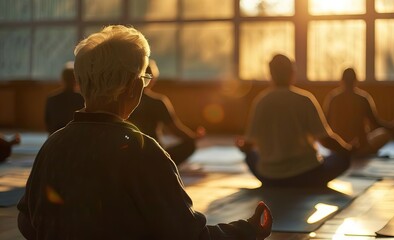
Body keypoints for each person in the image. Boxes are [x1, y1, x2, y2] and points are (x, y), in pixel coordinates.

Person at [17, 25, 272, 240]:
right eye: (144, 78)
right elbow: (188, 235)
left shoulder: (53, 146)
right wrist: (247, 230)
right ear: (134, 87)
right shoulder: (145, 152)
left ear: (81, 84)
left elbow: (26, 221)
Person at [236, 54, 353, 188]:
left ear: (271, 74)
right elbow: (325, 140)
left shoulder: (261, 101)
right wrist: (348, 149)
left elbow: (249, 145)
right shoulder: (305, 99)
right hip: (306, 176)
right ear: (292, 73)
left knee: (250, 156)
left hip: (270, 177)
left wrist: (241, 145)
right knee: (343, 159)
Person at [128, 60, 205, 166]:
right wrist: (192, 138)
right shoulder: (157, 102)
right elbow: (174, 129)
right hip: (154, 153)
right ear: (153, 78)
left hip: (129, 152)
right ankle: (162, 166)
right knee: (190, 145)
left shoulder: (124, 100)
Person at [323, 68, 394, 156]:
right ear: (355, 80)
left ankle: (347, 150)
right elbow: (375, 121)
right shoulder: (362, 98)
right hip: (361, 145)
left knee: (324, 139)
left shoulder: (333, 98)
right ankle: (360, 151)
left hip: (338, 147)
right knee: (386, 134)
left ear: (342, 80)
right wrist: (390, 127)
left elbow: (325, 123)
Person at [45, 63, 85, 135]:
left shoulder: (52, 98)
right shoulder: (81, 99)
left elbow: (48, 122)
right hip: (75, 136)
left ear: (62, 79)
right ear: (75, 80)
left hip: (54, 137)